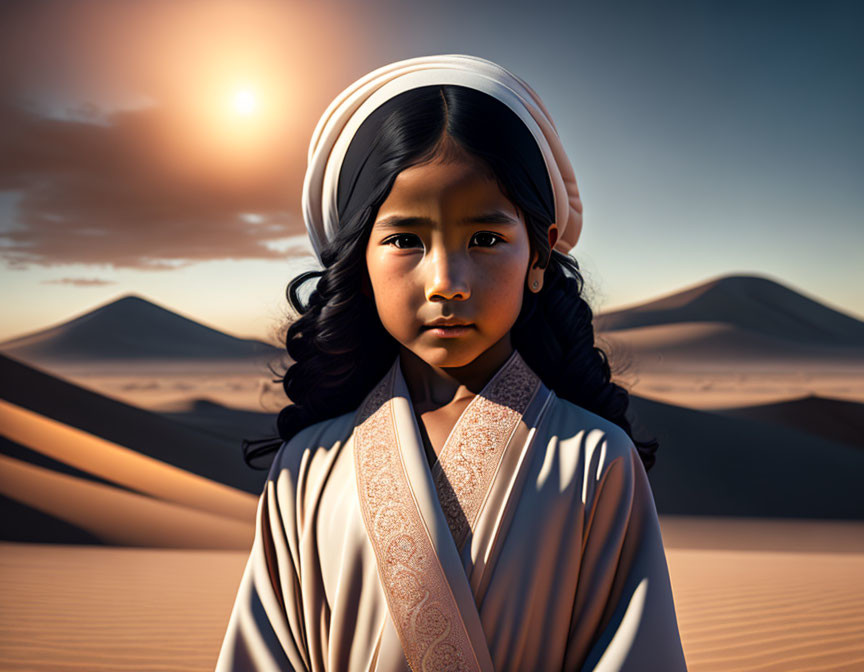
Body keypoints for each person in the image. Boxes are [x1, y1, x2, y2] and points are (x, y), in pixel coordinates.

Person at [216, 54, 687, 672]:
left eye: (486, 239)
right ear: (359, 268)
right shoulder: (305, 469)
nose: (447, 282)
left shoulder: (598, 460)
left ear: (538, 258)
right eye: (405, 239)